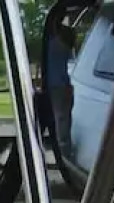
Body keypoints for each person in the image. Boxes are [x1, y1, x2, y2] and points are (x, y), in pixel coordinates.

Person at [45, 22, 75, 154]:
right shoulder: (63, 47)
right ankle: (64, 144)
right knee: (64, 115)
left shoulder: (50, 45)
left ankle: (61, 143)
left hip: (54, 84)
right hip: (62, 83)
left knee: (59, 115)